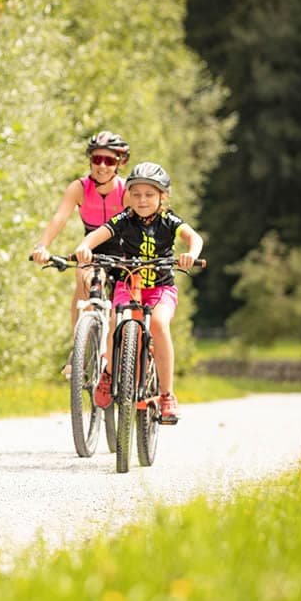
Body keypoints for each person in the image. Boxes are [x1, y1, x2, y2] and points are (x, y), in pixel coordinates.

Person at [73, 162, 203, 424]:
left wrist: (191, 254)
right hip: (128, 284)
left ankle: (167, 395)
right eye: (136, 194)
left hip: (161, 287)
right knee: (115, 322)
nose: (142, 200)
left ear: (162, 197)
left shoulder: (169, 220)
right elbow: (98, 234)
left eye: (149, 195)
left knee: (158, 324)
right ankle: (109, 374)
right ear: (128, 196)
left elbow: (194, 238)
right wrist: (85, 247)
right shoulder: (124, 219)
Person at [31, 130, 131, 375]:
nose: (102, 166)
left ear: (120, 163)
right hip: (92, 250)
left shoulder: (126, 190)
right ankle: (79, 348)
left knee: (123, 308)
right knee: (83, 279)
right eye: (97, 159)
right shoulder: (79, 188)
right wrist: (41, 246)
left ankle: (117, 357)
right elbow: (60, 217)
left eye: (109, 160)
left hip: (124, 253)